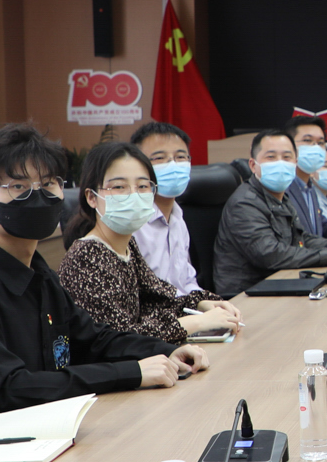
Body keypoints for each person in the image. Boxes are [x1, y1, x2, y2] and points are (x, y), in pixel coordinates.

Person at [0, 124, 208, 436]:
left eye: (48, 184)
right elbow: (11, 388)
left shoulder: (41, 275)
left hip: (52, 431)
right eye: (18, 187)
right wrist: (133, 372)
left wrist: (165, 350)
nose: (37, 196)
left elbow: (94, 339)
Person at [58, 142, 243, 345]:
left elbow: (158, 298)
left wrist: (201, 304)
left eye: (143, 186)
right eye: (119, 187)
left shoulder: (126, 246)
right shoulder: (86, 256)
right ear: (92, 197)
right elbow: (117, 339)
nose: (133, 194)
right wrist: (196, 322)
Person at [214, 129, 327, 297]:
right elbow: (271, 255)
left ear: (295, 163)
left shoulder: (281, 196)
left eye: (287, 157)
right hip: (245, 296)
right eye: (271, 157)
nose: (280, 163)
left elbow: (300, 239)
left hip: (278, 283)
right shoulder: (245, 203)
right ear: (253, 165)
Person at [128, 120, 209, 293]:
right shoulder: (131, 223)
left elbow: (186, 281)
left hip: (181, 307)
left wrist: (209, 302)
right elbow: (141, 293)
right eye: (159, 158)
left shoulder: (177, 218)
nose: (173, 165)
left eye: (180, 157)